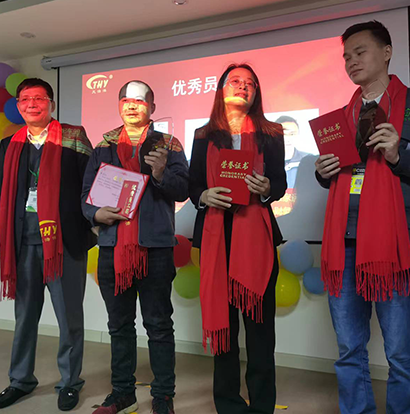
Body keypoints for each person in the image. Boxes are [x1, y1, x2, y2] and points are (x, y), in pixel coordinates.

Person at [315, 21, 410, 414]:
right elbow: (339, 175)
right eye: (346, 56)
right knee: (349, 348)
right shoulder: (343, 115)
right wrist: (323, 172)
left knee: (400, 350)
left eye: (360, 52)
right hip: (344, 242)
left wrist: (399, 155)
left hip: (394, 242)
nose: (351, 61)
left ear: (387, 52)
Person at [82, 80, 189, 414]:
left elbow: (183, 190)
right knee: (119, 326)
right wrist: (95, 213)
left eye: (140, 101)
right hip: (113, 248)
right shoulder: (103, 146)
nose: (132, 105)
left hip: (154, 248)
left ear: (152, 108)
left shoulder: (168, 144)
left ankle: (163, 396)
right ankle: (122, 393)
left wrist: (161, 173)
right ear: (119, 105)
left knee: (159, 326)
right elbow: (86, 194)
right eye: (126, 100)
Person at [189, 64, 287, 414]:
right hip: (216, 238)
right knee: (225, 333)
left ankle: (261, 406)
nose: (243, 87)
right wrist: (204, 195)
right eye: (236, 81)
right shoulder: (203, 135)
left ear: (256, 92)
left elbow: (279, 183)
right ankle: (229, 404)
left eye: (250, 83)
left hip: (256, 239)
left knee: (260, 334)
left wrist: (267, 188)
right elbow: (193, 184)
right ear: (221, 90)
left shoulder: (271, 132)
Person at [0, 78, 96, 411]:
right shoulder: (9, 144)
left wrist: (86, 231)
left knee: (69, 318)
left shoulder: (74, 137)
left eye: (39, 98)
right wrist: (5, 239)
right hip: (23, 242)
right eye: (25, 99)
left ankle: (70, 382)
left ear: (51, 103)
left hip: (64, 244)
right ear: (18, 106)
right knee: (24, 317)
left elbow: (92, 186)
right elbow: (1, 194)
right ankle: (20, 380)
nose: (32, 104)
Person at [276, 115, 311, 188]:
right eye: (283, 134)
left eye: (292, 134)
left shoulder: (308, 160)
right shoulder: (266, 161)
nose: (288, 139)